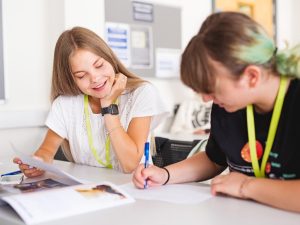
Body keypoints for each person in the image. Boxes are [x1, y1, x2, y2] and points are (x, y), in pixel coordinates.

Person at [133, 12, 300, 212]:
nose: (206, 99)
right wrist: (165, 174)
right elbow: (214, 158)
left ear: (252, 77)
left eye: (212, 90)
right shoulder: (228, 105)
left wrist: (244, 186)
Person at [14, 26, 168, 175]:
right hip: (88, 192)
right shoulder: (65, 104)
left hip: (135, 191)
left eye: (99, 65)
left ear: (110, 59)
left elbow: (130, 164)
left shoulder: (141, 93)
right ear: (70, 79)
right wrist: (37, 163)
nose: (95, 78)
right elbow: (46, 151)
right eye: (81, 75)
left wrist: (108, 106)